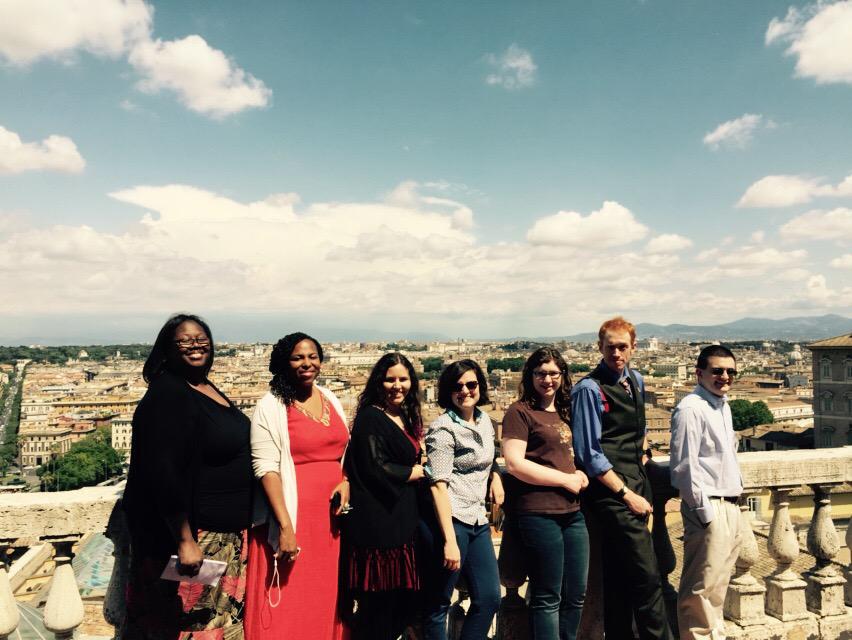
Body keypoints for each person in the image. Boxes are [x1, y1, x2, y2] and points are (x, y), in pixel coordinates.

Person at [122, 313, 253, 639]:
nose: (195, 345)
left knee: (213, 623)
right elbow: (162, 472)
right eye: (184, 340)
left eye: (201, 339)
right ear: (167, 348)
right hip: (197, 538)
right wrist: (184, 540)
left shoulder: (203, 386)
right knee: (192, 626)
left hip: (222, 535)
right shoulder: (169, 393)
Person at [571, 316, 673, 640]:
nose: (616, 353)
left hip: (638, 481)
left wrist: (642, 461)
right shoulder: (588, 389)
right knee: (648, 578)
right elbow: (588, 452)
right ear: (599, 347)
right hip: (612, 492)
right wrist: (626, 493)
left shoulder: (637, 381)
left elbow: (639, 431)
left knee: (618, 579)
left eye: (622, 347)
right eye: (610, 347)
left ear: (633, 347)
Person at [244, 332, 350, 639]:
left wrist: (346, 482)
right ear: (284, 363)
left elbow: (346, 451)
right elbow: (266, 469)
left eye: (313, 356)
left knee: (326, 593)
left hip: (331, 521)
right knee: (291, 598)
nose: (307, 363)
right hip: (293, 514)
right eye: (298, 357)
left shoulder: (329, 397)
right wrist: (286, 528)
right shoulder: (271, 405)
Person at [502, 347, 590, 640]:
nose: (547, 379)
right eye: (541, 373)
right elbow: (514, 463)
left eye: (554, 373)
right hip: (538, 512)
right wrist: (566, 480)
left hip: (573, 513)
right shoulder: (520, 411)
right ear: (530, 376)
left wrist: (578, 473)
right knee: (547, 596)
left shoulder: (567, 410)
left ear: (563, 376)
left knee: (576, 594)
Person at [341, 353, 425, 640]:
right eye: (390, 379)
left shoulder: (402, 415)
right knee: (378, 608)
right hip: (379, 529)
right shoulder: (370, 417)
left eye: (403, 379)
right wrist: (416, 473)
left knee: (397, 607)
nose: (397, 385)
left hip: (400, 522)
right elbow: (376, 467)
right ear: (379, 381)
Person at [420, 359, 504, 640]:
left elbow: (486, 459)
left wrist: (495, 475)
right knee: (438, 602)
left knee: (491, 597)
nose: (466, 391)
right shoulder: (443, 428)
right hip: (453, 521)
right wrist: (449, 540)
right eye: (458, 386)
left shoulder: (484, 421)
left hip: (478, 519)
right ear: (447, 391)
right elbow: (438, 486)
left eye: (472, 384)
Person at [670, 345, 743, 640]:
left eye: (730, 372)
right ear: (699, 373)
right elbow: (684, 466)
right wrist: (704, 512)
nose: (725, 376)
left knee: (717, 586)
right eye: (717, 371)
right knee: (700, 589)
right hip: (710, 506)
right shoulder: (691, 408)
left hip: (730, 505)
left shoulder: (722, 405)